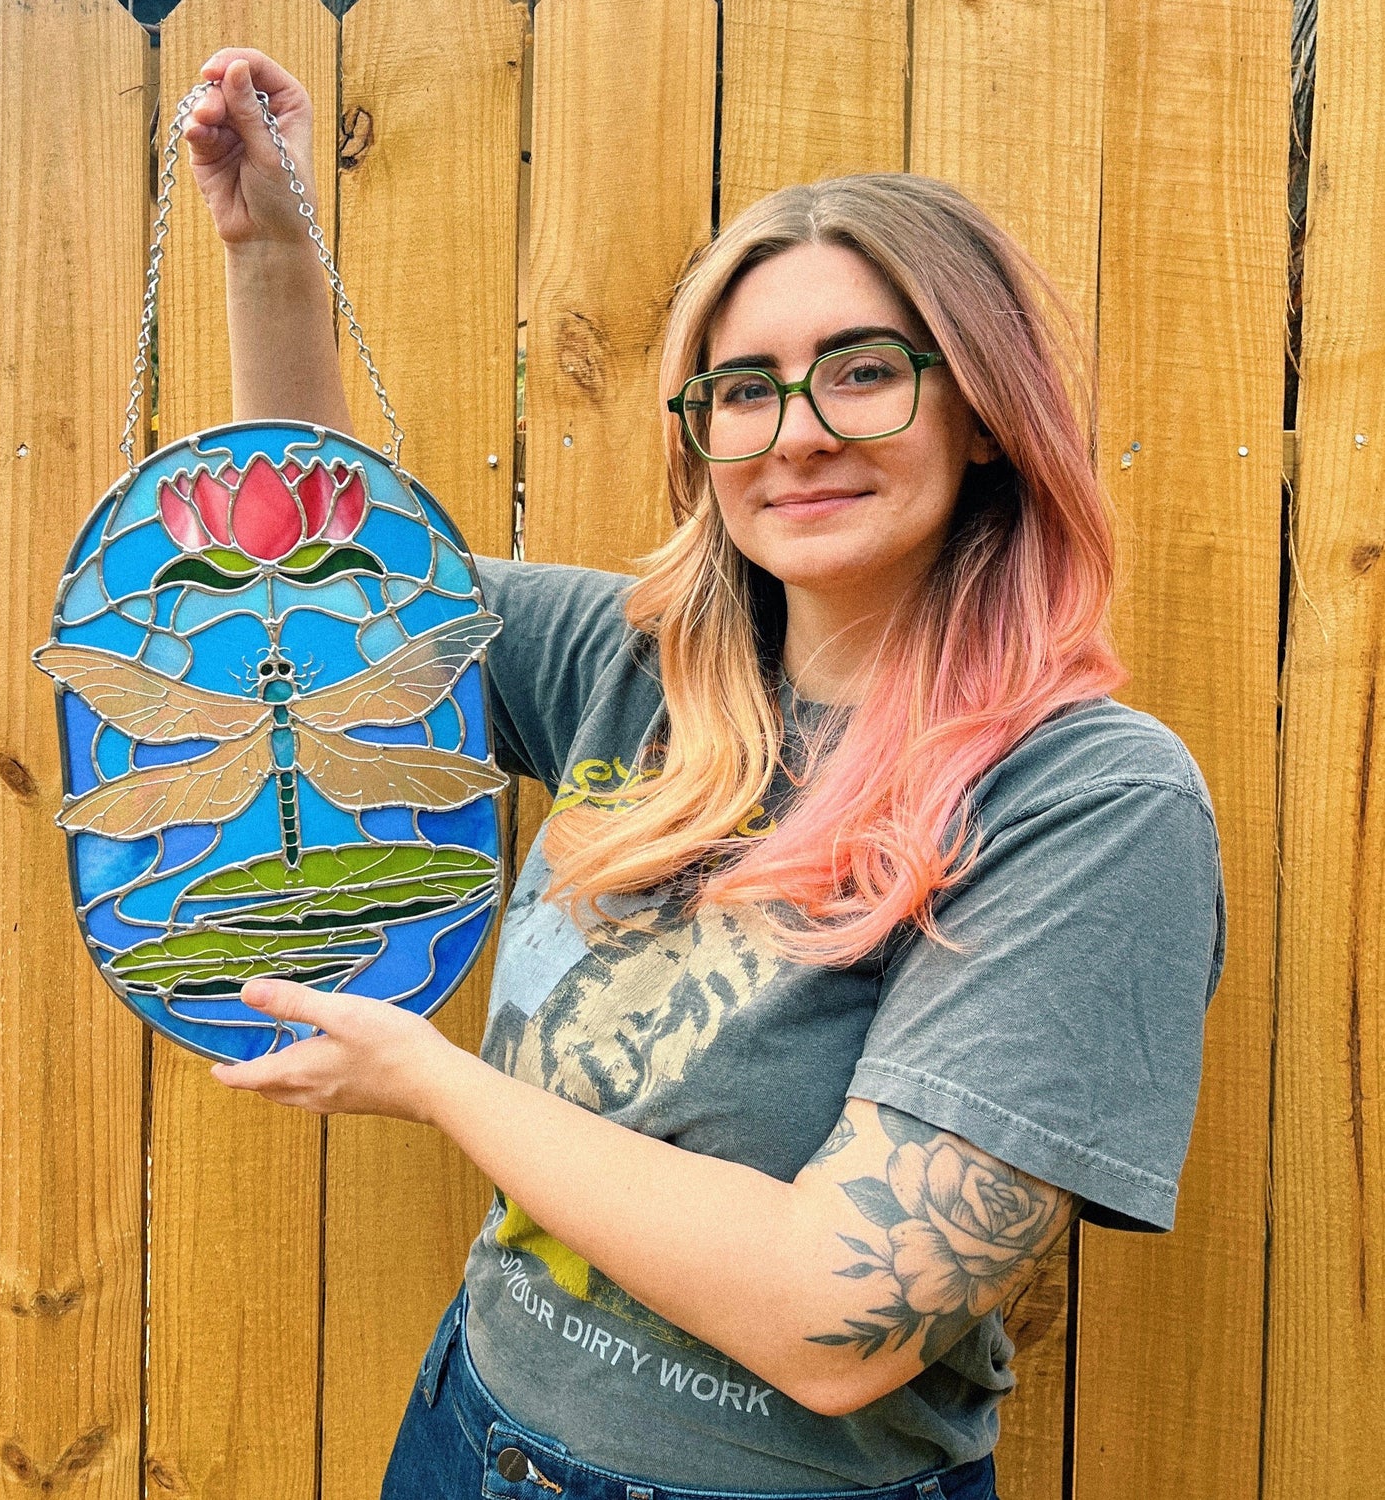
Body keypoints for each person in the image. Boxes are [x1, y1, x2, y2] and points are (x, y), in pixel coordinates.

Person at [185, 49, 1225, 1500]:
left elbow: (836, 1321)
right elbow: (326, 596)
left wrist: (432, 1081)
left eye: (863, 372)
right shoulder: (635, 665)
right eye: (743, 390)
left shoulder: (1087, 805)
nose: (795, 433)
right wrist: (272, 253)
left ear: (984, 413)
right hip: (469, 1430)